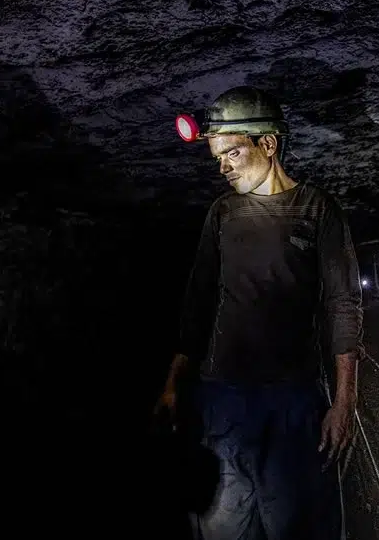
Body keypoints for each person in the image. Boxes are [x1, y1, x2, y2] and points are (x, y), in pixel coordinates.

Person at [155, 86, 365, 540]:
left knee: (297, 524)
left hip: (292, 398)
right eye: (217, 158)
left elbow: (342, 305)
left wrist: (344, 402)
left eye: (231, 153)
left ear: (267, 144)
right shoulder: (223, 212)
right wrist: (174, 380)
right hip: (223, 398)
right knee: (223, 526)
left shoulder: (317, 209)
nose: (223, 167)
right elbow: (198, 300)